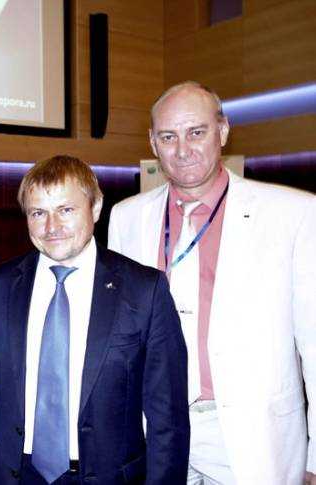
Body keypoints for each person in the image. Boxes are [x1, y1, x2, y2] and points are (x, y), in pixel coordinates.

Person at [108, 81, 316, 484]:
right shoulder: (126, 217)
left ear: (222, 131)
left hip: (253, 437)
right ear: (152, 143)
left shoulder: (294, 215)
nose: (182, 149)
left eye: (196, 132)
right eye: (168, 136)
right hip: (154, 431)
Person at [0, 155, 189, 485]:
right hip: (17, 475)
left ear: (95, 208)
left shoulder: (144, 290)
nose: (51, 226)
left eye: (66, 210)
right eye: (38, 213)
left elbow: (167, 417)